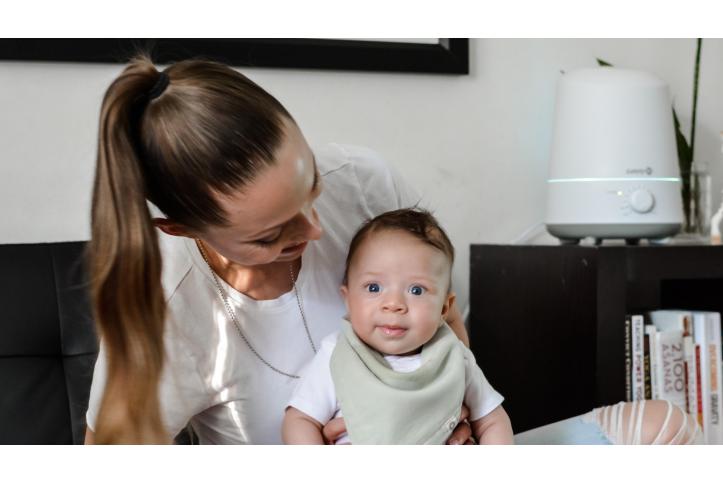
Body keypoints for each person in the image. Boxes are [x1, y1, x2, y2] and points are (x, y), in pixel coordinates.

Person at [84, 55, 471, 444]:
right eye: (269, 236)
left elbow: (445, 320)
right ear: (180, 230)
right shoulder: (169, 312)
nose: (315, 229)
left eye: (313, 185)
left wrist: (448, 414)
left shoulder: (363, 183)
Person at [282, 208, 514, 444]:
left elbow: (492, 420)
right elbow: (300, 420)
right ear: (348, 299)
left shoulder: (453, 356)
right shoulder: (337, 355)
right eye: (374, 288)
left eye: (416, 290)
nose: (394, 304)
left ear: (445, 307)